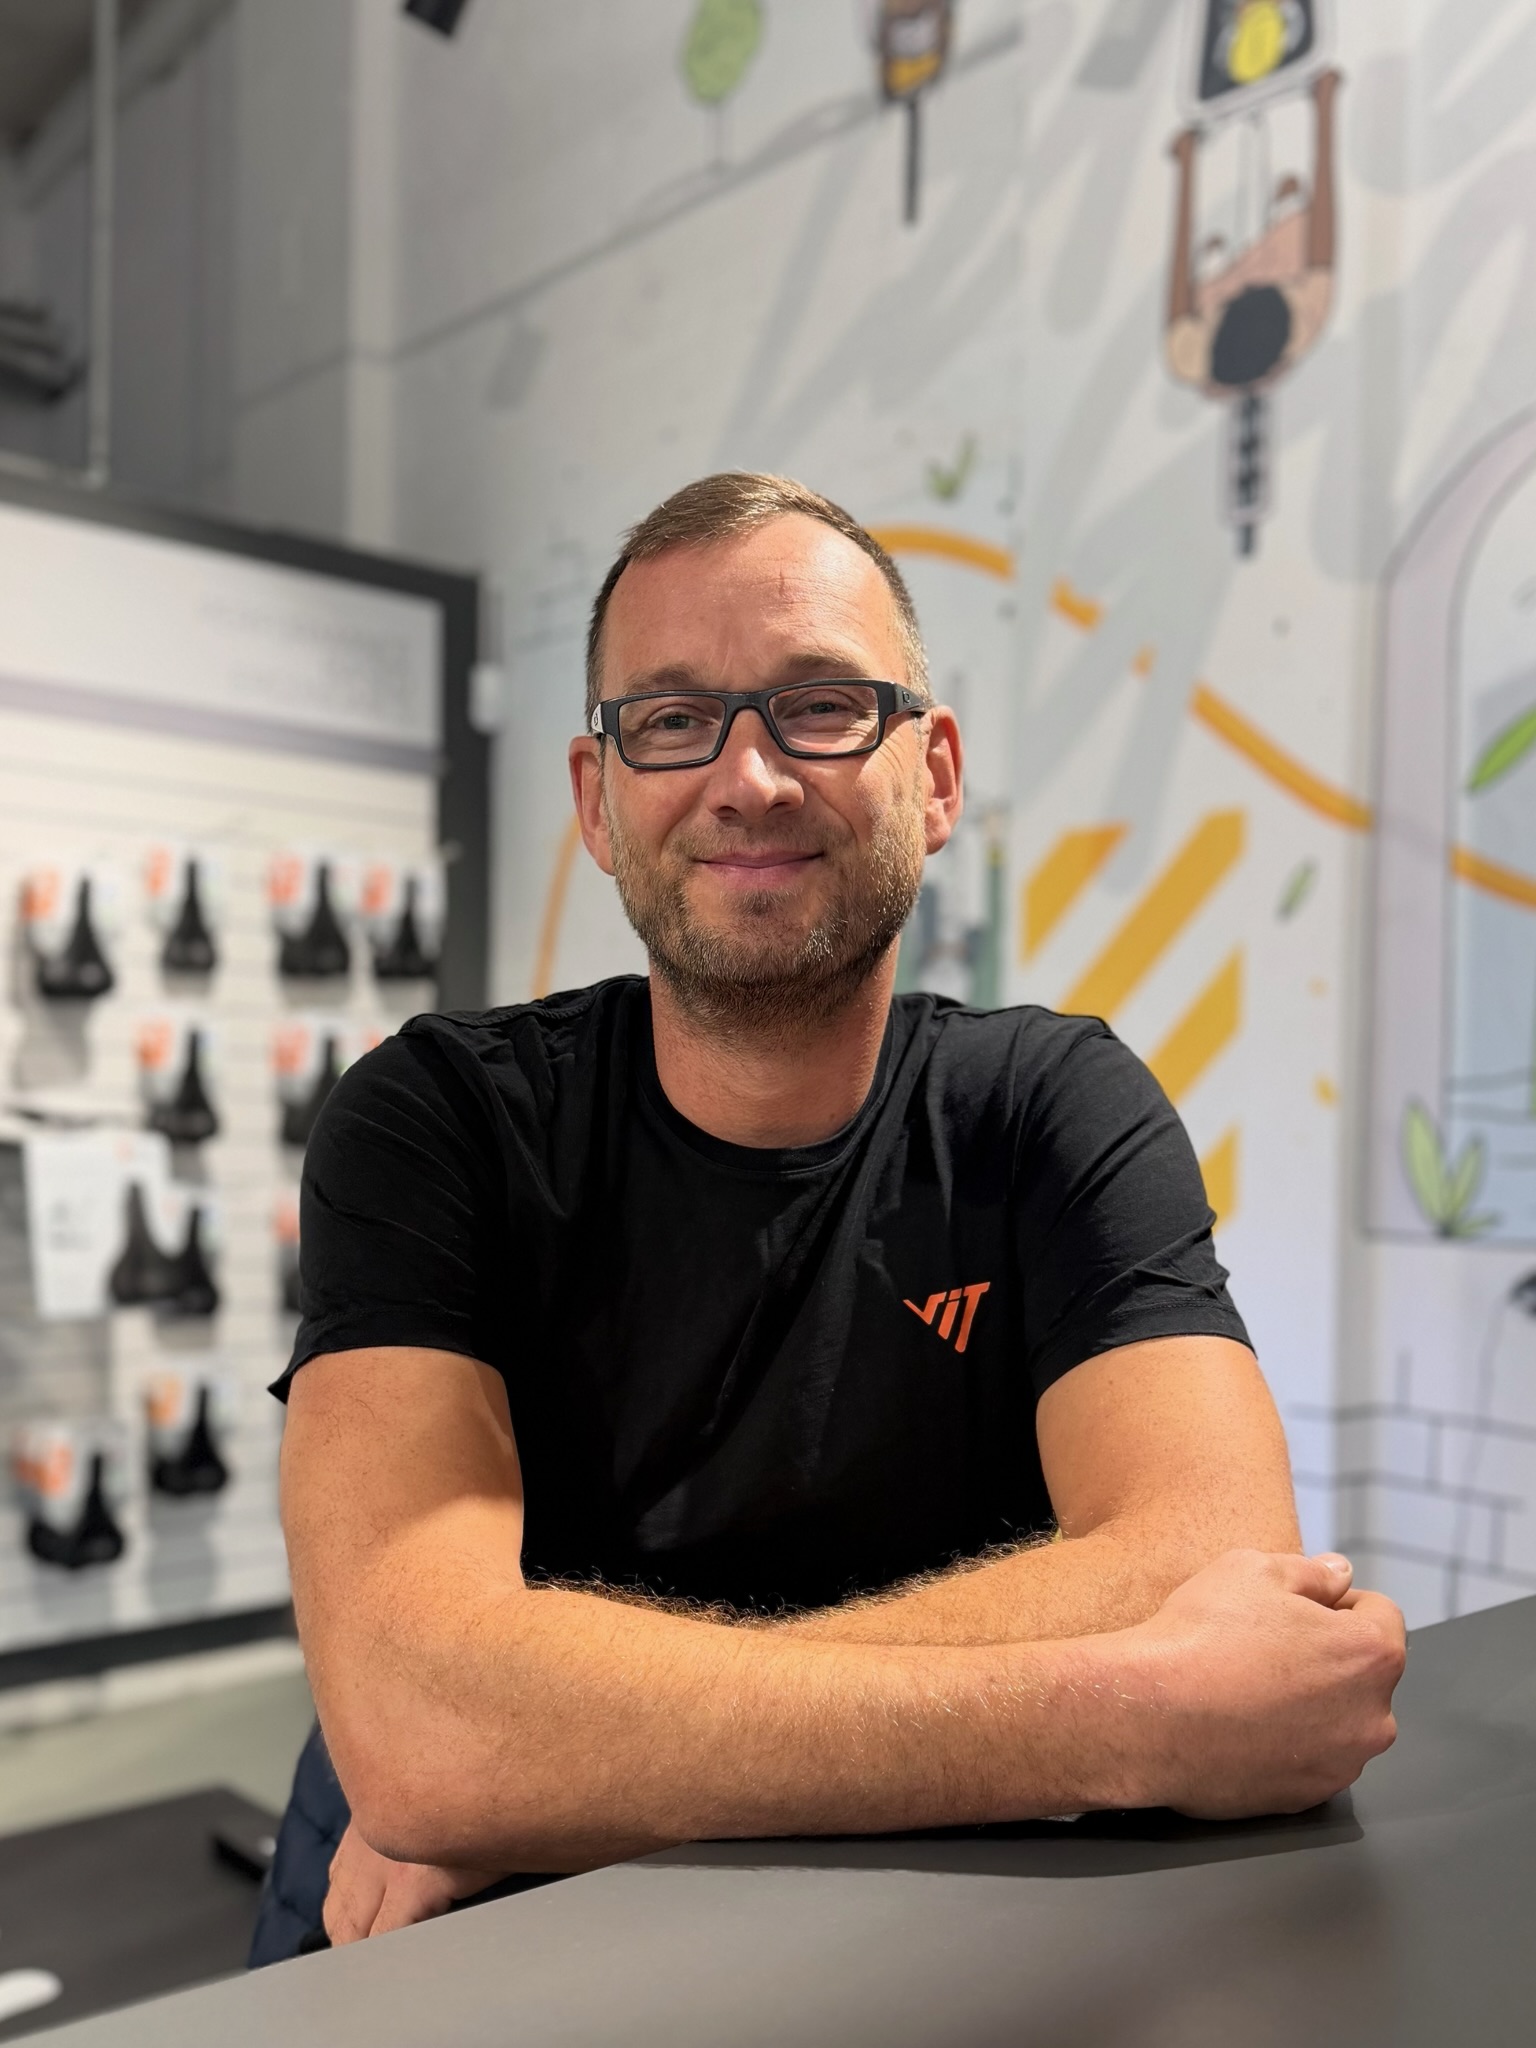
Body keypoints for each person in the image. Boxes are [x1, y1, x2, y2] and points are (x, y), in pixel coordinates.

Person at [252, 472, 1404, 1961]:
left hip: (839, 1918)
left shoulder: (1051, 1108)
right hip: (441, 1927)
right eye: (673, 720)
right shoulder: (438, 1120)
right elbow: (423, 1729)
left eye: (822, 707)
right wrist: (1129, 1710)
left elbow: (1208, 1554)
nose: (750, 777)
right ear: (597, 801)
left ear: (936, 775)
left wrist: (548, 1759)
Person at [1165, 67, 1340, 397]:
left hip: (1219, 285)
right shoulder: (1307, 313)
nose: (1246, 283)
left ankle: (1219, 266)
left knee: (1211, 254)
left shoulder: (1188, 354)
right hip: (1279, 267)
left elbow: (1179, 268)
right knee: (1293, 194)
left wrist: (1186, 164)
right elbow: (1323, 222)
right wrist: (1325, 106)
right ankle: (1284, 212)